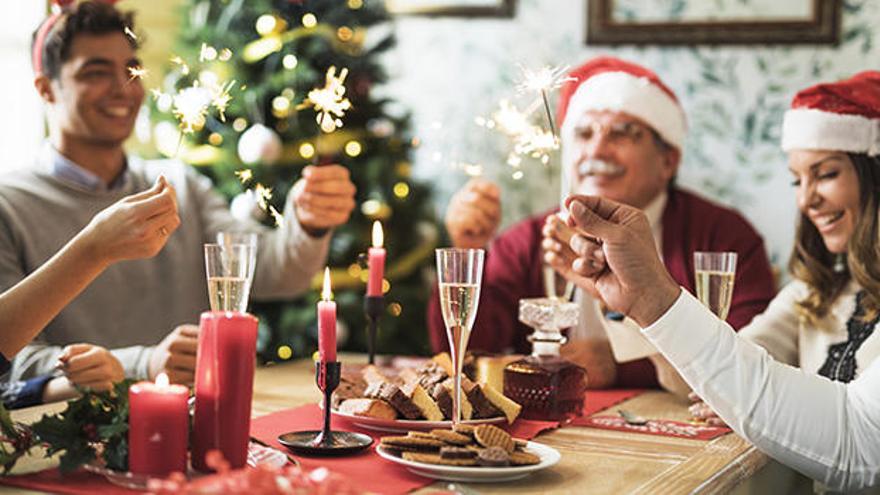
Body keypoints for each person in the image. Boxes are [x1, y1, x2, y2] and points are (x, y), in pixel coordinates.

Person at [545, 71, 880, 491]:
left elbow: (863, 446)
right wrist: (637, 305)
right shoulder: (812, 295)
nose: (805, 199)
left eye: (827, 174)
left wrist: (651, 301)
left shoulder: (724, 233)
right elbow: (717, 375)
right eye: (798, 179)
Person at [2, 1, 356, 389]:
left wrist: (307, 222)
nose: (123, 88)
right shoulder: (9, 206)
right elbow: (12, 359)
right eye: (96, 72)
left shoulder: (178, 185)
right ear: (46, 89)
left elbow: (275, 273)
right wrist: (142, 363)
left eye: (131, 70)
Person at [427, 57, 776, 390]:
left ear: (668, 161)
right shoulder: (530, 239)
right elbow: (466, 354)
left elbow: (750, 361)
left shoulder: (723, 237)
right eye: (583, 133)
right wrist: (466, 251)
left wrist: (621, 364)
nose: (597, 150)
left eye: (623, 133)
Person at [1, 176, 179, 407]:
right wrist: (93, 249)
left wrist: (65, 387)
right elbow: (13, 367)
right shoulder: (10, 202)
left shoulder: (184, 182)